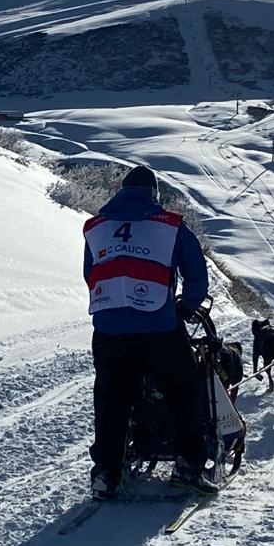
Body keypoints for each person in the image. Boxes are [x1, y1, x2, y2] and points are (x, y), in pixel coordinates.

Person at [82, 164, 218, 500]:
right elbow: (196, 276)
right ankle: (188, 467)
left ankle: (106, 474)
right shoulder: (170, 226)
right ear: (155, 196)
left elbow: (90, 272)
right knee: (184, 390)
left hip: (108, 327)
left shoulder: (97, 227)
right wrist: (185, 307)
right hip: (158, 325)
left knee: (111, 398)